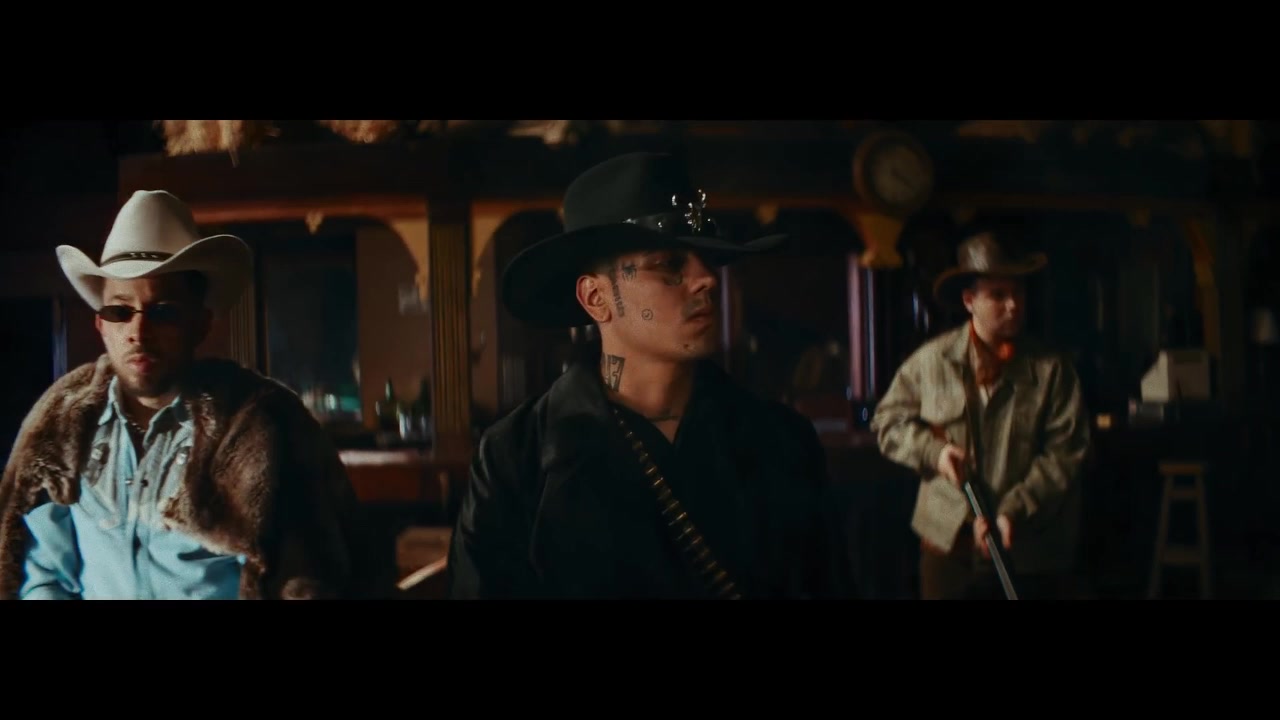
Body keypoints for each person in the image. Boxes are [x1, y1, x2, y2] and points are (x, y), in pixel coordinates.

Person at [447, 151, 852, 599]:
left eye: (705, 258)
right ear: (596, 298)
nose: (706, 279)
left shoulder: (781, 441)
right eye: (669, 264)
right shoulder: (516, 458)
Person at [0, 190, 392, 599]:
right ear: (101, 324)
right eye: (120, 311)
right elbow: (43, 575)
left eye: (163, 311)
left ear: (200, 324)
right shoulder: (66, 427)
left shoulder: (259, 429)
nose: (138, 332)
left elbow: (308, 578)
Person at [870, 229, 1090, 600]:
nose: (1013, 305)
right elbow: (887, 423)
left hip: (1027, 549)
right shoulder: (931, 361)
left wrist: (1013, 510)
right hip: (947, 543)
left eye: (1018, 293)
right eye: (998, 295)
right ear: (969, 300)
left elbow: (1065, 454)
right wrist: (935, 453)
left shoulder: (1052, 370)